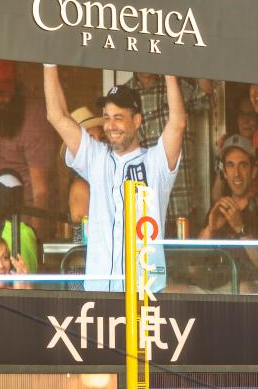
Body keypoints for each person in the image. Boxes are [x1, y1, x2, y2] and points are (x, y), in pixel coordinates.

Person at [44, 65, 186, 292]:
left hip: (146, 294)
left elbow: (177, 123)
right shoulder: (96, 157)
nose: (110, 126)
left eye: (119, 117)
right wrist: (49, 65)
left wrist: (168, 70)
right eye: (107, 117)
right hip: (99, 292)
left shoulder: (155, 162)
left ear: (137, 121)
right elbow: (56, 116)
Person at [0, 59, 57, 217]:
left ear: (16, 87)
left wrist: (34, 235)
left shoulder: (35, 116)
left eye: (4, 92)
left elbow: (41, 193)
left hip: (22, 217)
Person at [124, 72, 213, 225]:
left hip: (182, 206)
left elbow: (207, 98)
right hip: (143, 210)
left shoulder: (178, 86)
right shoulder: (123, 95)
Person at [199, 135, 258, 286]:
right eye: (231, 165)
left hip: (248, 295)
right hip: (214, 294)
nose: (236, 173)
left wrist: (241, 230)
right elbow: (193, 267)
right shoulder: (219, 209)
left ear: (253, 171)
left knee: (245, 288)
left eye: (243, 165)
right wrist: (210, 230)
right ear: (224, 173)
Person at [58, 106, 105, 233]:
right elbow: (84, 235)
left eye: (101, 138)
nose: (98, 144)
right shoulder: (81, 186)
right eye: (90, 139)